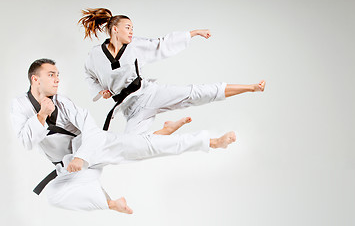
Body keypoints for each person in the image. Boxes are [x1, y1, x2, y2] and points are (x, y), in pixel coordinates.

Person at [11, 58, 236, 213]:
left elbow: (90, 128)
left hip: (93, 148)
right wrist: (41, 116)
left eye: (58, 75)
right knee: (54, 195)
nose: (57, 79)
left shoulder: (63, 102)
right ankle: (110, 203)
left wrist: (83, 156)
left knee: (145, 148)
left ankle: (211, 141)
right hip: (71, 167)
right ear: (35, 79)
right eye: (51, 75)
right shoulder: (20, 106)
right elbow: (25, 141)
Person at [79, 8, 266, 133]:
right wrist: (99, 91)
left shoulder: (135, 46)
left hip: (147, 94)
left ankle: (251, 87)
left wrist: (193, 33)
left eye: (132, 28)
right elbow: (89, 74)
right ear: (114, 29)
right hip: (130, 109)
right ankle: (167, 130)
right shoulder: (95, 55)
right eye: (127, 27)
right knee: (131, 147)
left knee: (193, 94)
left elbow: (161, 44)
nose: (131, 32)